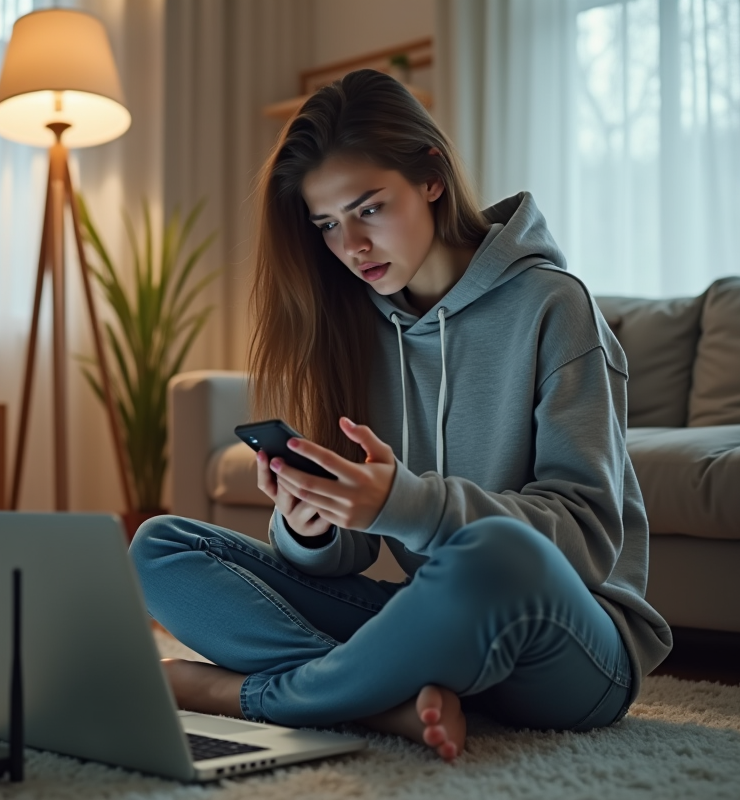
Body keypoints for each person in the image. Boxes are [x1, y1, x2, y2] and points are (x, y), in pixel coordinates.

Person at [129, 68, 672, 762]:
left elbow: (588, 540)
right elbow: (351, 555)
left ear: (431, 178)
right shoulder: (353, 324)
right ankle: (383, 698)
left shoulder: (554, 306)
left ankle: (252, 695)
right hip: (437, 625)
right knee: (162, 546)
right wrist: (312, 525)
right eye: (328, 224)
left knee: (495, 554)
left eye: (369, 208)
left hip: (569, 648)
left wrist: (409, 505)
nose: (351, 245)